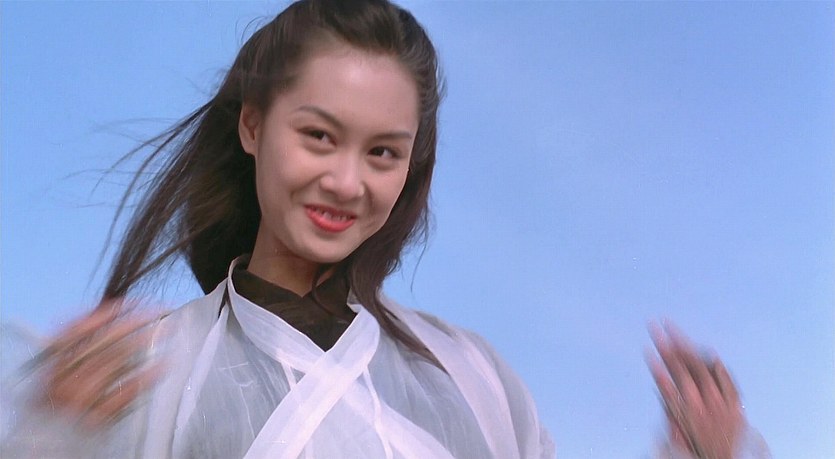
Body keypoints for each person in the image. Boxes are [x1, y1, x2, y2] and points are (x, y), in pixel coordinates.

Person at [1, 1, 768, 458]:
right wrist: (47, 436)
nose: (346, 182)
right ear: (252, 126)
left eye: (382, 153)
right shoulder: (147, 371)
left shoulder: (472, 376)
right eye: (318, 136)